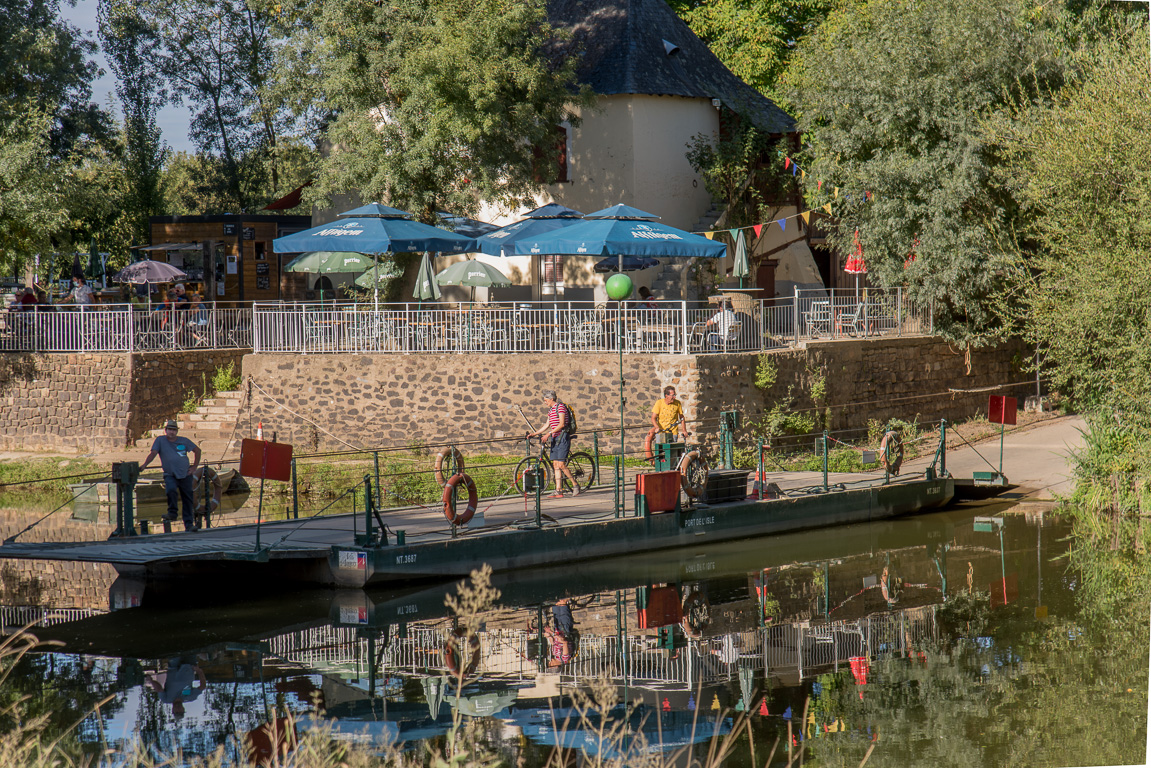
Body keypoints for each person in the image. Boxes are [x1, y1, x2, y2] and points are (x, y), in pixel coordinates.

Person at [141, 419, 202, 531]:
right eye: (169, 430)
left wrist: (194, 467)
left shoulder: (184, 441)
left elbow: (197, 451)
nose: (171, 432)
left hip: (185, 474)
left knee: (187, 499)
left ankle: (189, 525)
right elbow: (153, 453)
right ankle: (172, 512)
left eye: (174, 430)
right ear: (166, 430)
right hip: (170, 474)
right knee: (171, 490)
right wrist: (144, 465)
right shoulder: (160, 440)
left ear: (177, 431)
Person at [526, 389, 580, 498]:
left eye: (546, 400)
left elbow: (561, 424)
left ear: (551, 399)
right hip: (555, 439)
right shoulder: (551, 410)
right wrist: (534, 433)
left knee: (561, 464)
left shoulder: (561, 408)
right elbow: (547, 425)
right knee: (555, 465)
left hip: (563, 437)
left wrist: (548, 434)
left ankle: (575, 485)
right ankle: (558, 490)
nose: (545, 402)